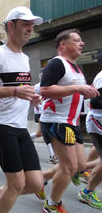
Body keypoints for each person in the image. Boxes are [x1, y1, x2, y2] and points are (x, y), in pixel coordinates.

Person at [0, 6, 44, 213]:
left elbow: (19, 89)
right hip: (1, 126)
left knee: (36, 183)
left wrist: (31, 97)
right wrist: (15, 92)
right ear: (11, 26)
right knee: (16, 184)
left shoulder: (24, 58)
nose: (30, 29)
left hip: (20, 126)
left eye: (32, 25)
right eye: (26, 24)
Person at [38, 29, 99, 213]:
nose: (82, 43)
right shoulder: (57, 63)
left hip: (71, 122)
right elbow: (45, 90)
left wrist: (86, 90)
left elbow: (73, 89)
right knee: (69, 167)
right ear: (63, 45)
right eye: (77, 40)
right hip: (57, 121)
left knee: (80, 166)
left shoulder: (76, 68)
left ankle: (40, 179)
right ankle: (52, 205)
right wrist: (78, 89)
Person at [77, 69, 102, 209]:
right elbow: (96, 102)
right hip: (98, 121)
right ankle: (87, 192)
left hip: (98, 121)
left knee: (97, 149)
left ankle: (80, 169)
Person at [30, 81, 58, 164]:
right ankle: (52, 155)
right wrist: (38, 103)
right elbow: (30, 95)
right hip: (41, 113)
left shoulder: (55, 84)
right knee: (44, 133)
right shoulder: (39, 86)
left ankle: (23, 140)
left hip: (50, 112)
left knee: (41, 133)